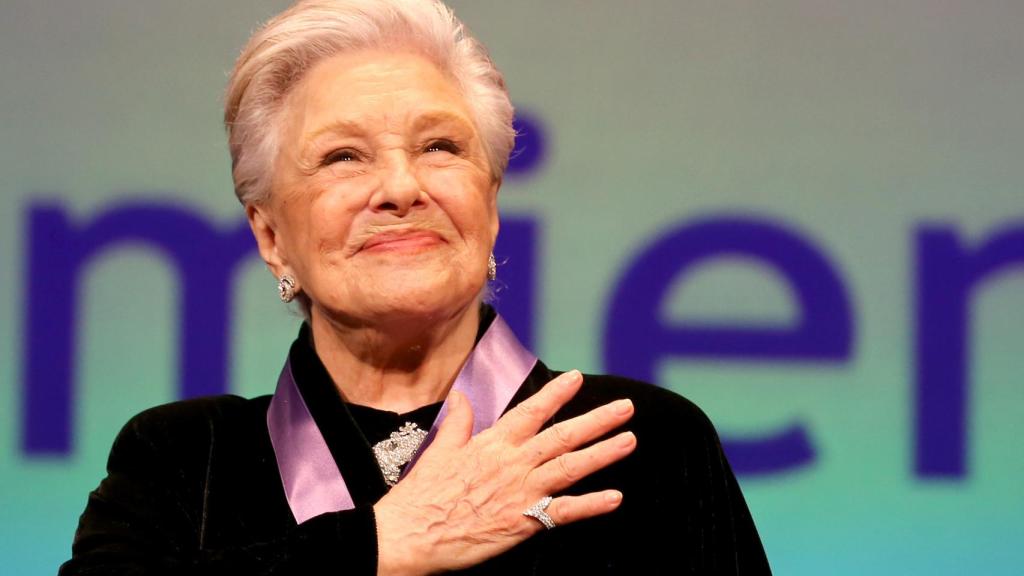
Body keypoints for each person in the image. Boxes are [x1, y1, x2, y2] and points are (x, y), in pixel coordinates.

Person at [60, 0, 771, 574]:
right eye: (343, 156)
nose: (401, 188)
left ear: (489, 207)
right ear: (270, 235)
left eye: (439, 147)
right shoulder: (185, 459)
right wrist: (377, 546)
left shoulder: (639, 444)